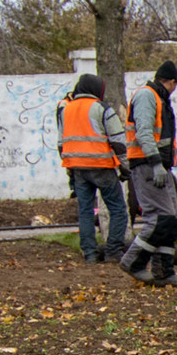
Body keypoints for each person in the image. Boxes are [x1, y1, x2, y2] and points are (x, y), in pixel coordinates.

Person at [118, 60, 177, 287]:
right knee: (159, 218)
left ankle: (164, 271)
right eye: (174, 85)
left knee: (172, 220)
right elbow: (144, 132)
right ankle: (133, 262)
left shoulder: (157, 98)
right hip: (148, 166)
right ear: (171, 82)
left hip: (160, 167)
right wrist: (156, 163)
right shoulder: (147, 96)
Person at [54, 73, 128, 263]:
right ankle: (113, 251)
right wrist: (126, 167)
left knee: (85, 211)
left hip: (78, 168)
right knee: (118, 209)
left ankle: (90, 254)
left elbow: (61, 143)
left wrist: (69, 168)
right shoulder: (102, 109)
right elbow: (118, 141)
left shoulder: (66, 109)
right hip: (101, 166)